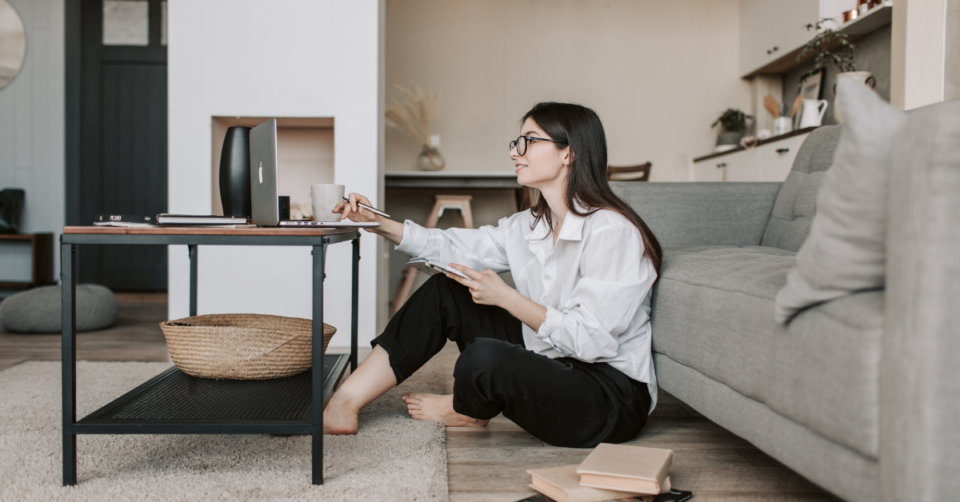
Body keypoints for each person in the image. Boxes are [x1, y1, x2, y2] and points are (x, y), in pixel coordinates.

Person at [326, 102, 662, 448]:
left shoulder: (611, 231)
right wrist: (378, 224)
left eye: (530, 141)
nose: (516, 152)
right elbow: (451, 247)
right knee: (447, 289)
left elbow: (591, 342)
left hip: (609, 395)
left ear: (568, 153)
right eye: (517, 142)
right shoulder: (531, 224)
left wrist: (507, 298)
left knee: (483, 359)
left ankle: (466, 408)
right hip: (554, 358)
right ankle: (344, 403)